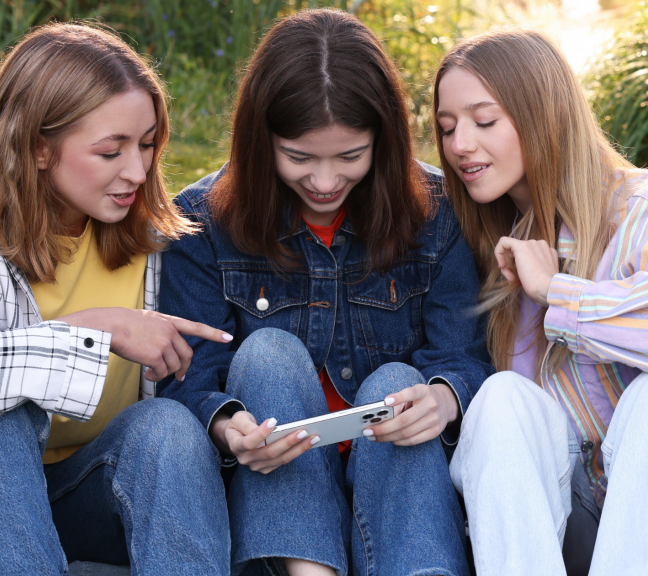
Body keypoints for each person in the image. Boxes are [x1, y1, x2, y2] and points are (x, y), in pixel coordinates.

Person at [0, 23, 233, 576]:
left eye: (148, 144)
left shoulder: (156, 232)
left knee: (168, 430)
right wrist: (98, 329)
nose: (138, 170)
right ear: (37, 147)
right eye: (110, 151)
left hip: (77, 496)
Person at [157, 9, 492, 576]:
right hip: (274, 498)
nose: (325, 181)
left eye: (350, 157)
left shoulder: (437, 212)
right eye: (299, 157)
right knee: (267, 354)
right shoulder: (202, 220)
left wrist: (443, 398)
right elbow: (189, 373)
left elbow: (464, 353)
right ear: (261, 142)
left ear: (382, 143)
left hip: (396, 488)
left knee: (399, 384)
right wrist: (226, 424)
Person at [434, 28, 648, 576]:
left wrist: (561, 295)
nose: (460, 144)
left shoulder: (644, 210)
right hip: (570, 523)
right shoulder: (484, 241)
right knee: (502, 397)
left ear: (543, 115)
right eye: (447, 128)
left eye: (484, 121)